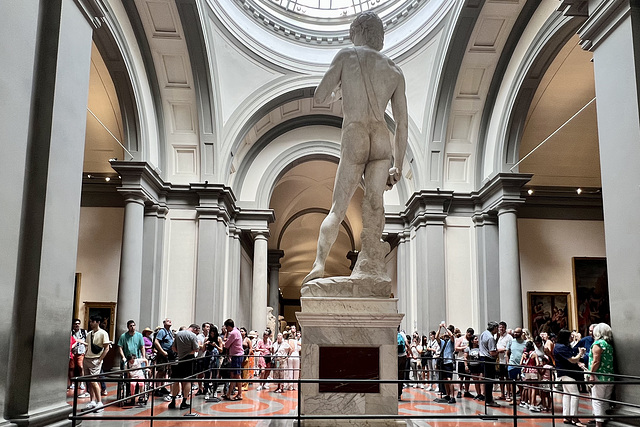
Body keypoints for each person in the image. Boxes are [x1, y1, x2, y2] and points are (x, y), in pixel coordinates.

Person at [302, 11, 408, 284]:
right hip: (382, 139)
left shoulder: (346, 56)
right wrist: (398, 163)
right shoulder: (394, 70)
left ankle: (318, 265)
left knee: (338, 209)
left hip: (356, 135)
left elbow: (321, 94)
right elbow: (402, 123)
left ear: (358, 32)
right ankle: (371, 263)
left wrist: (340, 89)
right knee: (374, 204)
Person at [554, 329, 587, 427]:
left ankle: (567, 416)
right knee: (575, 394)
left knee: (567, 394)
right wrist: (580, 354)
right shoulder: (561, 347)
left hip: (564, 372)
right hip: (567, 373)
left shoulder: (560, 346)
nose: (571, 337)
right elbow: (572, 360)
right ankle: (574, 418)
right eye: (570, 336)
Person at [588, 323, 615, 427]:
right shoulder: (608, 345)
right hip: (609, 376)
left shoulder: (598, 344)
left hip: (599, 376)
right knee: (605, 400)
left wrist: (591, 374)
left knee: (597, 400)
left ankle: (599, 424)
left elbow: (596, 361)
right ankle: (605, 421)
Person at [168, 324, 199, 410]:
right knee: (188, 381)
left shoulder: (178, 334)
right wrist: (187, 353)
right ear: (194, 329)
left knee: (176, 380)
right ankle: (184, 402)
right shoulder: (193, 335)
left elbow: (173, 347)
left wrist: (180, 352)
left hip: (179, 359)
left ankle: (173, 401)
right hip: (189, 360)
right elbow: (196, 349)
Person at [83, 315, 110, 412]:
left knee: (94, 381)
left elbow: (106, 348)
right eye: (90, 321)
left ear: (98, 322)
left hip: (95, 359)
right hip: (87, 359)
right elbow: (87, 345)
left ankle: (99, 402)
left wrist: (100, 360)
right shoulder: (89, 333)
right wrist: (84, 354)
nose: (91, 323)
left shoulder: (103, 333)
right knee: (89, 382)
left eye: (92, 321)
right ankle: (92, 401)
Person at [478, 321, 500, 407]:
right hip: (488, 360)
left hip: (482, 358)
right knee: (489, 380)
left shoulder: (484, 333)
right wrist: (499, 352)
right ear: (494, 328)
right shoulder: (490, 337)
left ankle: (488, 398)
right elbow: (492, 353)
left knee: (486, 380)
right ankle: (489, 400)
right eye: (497, 328)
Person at [223, 318, 244, 400]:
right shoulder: (237, 331)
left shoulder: (233, 333)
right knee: (234, 375)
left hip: (236, 356)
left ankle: (238, 394)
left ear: (228, 326)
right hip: (237, 355)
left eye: (226, 327)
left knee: (236, 375)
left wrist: (224, 340)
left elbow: (227, 345)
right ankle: (231, 393)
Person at [436, 322, 457, 403]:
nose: (445, 334)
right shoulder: (442, 342)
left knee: (449, 379)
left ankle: (452, 396)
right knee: (445, 379)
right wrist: (439, 328)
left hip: (449, 362)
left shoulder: (451, 341)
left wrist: (445, 327)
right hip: (443, 362)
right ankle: (447, 395)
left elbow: (452, 336)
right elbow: (437, 337)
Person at [70, 319, 89, 397]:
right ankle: (72, 383)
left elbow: (87, 342)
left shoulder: (84, 332)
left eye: (78, 324)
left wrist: (86, 351)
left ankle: (81, 383)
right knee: (72, 368)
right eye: (75, 324)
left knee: (80, 367)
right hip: (73, 352)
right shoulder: (71, 332)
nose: (76, 325)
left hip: (81, 352)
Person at [464, 335, 482, 399]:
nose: (477, 340)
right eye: (475, 339)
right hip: (472, 366)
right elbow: (465, 357)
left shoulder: (480, 348)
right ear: (472, 341)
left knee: (480, 380)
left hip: (479, 366)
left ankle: (483, 394)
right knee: (476, 381)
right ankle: (479, 394)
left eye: (477, 339)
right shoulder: (468, 348)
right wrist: (466, 366)